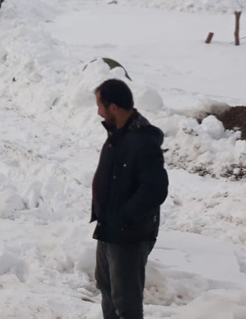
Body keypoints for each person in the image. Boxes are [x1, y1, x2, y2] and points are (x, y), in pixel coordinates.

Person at [92, 79, 169, 319]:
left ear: (113, 107)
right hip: (109, 229)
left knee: (126, 303)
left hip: (128, 234)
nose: (98, 112)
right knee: (107, 289)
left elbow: (156, 189)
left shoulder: (142, 141)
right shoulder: (119, 134)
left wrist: (124, 217)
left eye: (100, 106)